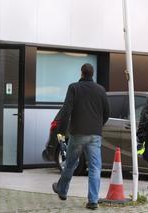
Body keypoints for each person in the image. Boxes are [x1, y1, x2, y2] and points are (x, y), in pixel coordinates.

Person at [52, 63, 109, 210]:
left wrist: (61, 132)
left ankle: (62, 190)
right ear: (92, 74)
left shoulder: (74, 87)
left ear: (82, 73)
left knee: (71, 163)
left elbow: (66, 110)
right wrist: (98, 126)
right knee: (95, 167)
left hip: (77, 133)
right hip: (95, 134)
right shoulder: (101, 90)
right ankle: (93, 201)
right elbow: (107, 112)